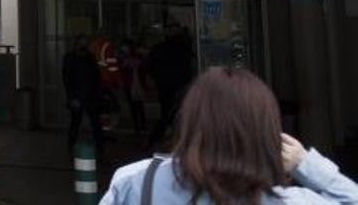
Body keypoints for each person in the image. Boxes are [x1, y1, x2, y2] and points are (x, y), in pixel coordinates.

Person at [100, 67, 358, 204]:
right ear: (266, 131)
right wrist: (305, 162)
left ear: (190, 122)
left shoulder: (136, 183)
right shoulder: (294, 202)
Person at [146, 22, 195, 148]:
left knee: (167, 114)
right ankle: (175, 141)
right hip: (178, 85)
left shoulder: (160, 49)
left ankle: (156, 140)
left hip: (166, 85)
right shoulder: (183, 48)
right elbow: (189, 66)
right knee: (176, 114)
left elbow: (150, 66)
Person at [64, 34, 104, 159]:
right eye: (82, 42)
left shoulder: (90, 58)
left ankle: (100, 148)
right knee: (75, 124)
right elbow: (67, 79)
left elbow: (96, 77)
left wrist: (97, 93)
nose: (84, 44)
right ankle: (70, 147)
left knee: (96, 124)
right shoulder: (70, 57)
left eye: (85, 42)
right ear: (76, 43)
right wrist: (72, 97)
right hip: (77, 97)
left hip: (91, 97)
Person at [118, 38, 148, 136]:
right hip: (130, 84)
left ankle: (141, 125)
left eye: (125, 46)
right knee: (134, 105)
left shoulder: (136, 57)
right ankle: (138, 126)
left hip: (136, 84)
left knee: (138, 105)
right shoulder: (122, 57)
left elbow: (143, 68)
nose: (124, 48)